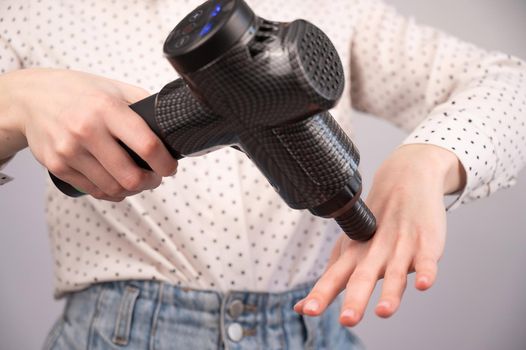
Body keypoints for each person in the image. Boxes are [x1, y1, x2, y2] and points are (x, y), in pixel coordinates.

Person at [0, 0, 524, 348]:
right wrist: (16, 99)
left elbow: (511, 86)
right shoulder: (30, 10)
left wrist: (429, 160)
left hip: (313, 327)